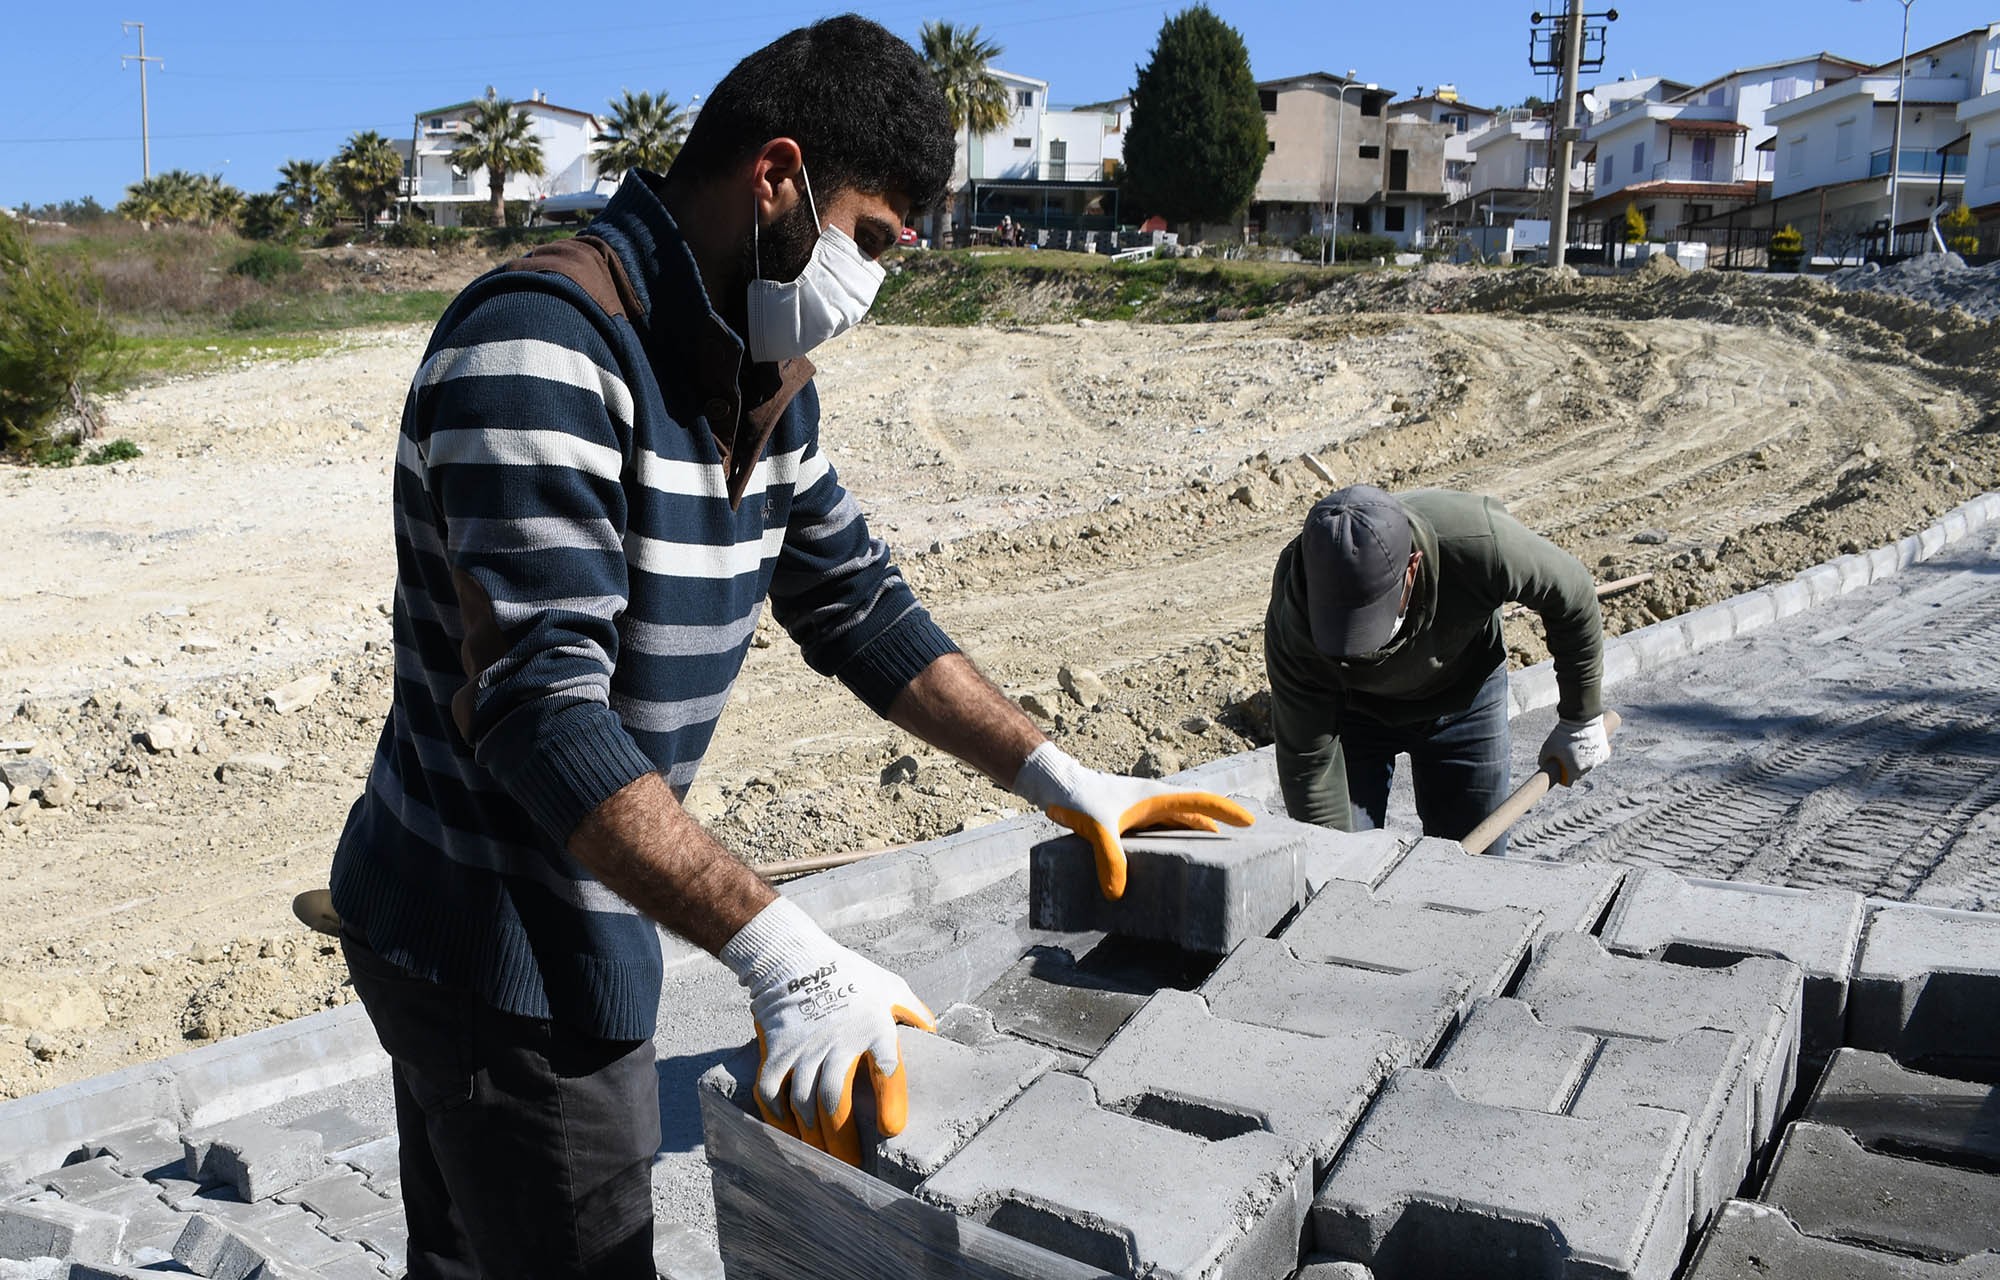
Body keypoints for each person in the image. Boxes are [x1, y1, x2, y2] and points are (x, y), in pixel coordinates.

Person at [329, 16, 1249, 1279]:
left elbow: (857, 604)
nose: (870, 279)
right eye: (867, 238)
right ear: (778, 178)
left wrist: (1058, 772)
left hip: (560, 909)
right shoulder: (542, 347)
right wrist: (784, 952)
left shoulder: (764, 376)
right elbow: (541, 712)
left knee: (466, 1253)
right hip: (497, 937)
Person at [1263, 484, 1609, 857]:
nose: (1358, 648)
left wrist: (1580, 715)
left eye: (1367, 625)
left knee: (1476, 874)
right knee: (1340, 859)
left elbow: (1572, 595)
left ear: (1411, 570)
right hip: (1353, 717)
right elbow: (1309, 764)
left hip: (1465, 700)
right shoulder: (1293, 610)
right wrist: (1328, 859)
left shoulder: (1480, 544)